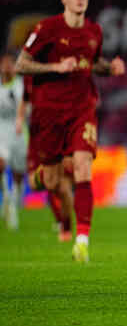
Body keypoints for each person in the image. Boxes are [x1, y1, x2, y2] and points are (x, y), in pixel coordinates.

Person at [15, 0, 125, 262]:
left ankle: (82, 239)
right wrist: (55, 66)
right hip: (48, 114)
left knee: (82, 168)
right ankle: (40, 176)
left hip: (82, 109)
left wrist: (109, 68)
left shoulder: (94, 31)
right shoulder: (47, 28)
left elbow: (94, 63)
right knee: (51, 182)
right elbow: (21, 64)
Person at [16, 75, 74, 241]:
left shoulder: (60, 70)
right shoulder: (30, 75)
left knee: (62, 187)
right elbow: (25, 98)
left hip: (58, 132)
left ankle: (66, 228)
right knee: (36, 184)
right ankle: (49, 174)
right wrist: (20, 119)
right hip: (37, 134)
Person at [0, 53, 27, 230]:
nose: (8, 67)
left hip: (18, 130)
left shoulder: (19, 85)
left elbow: (22, 105)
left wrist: (19, 119)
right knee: (1, 164)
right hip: (2, 128)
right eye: (5, 64)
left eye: (11, 64)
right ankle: (7, 199)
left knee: (19, 173)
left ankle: (15, 202)